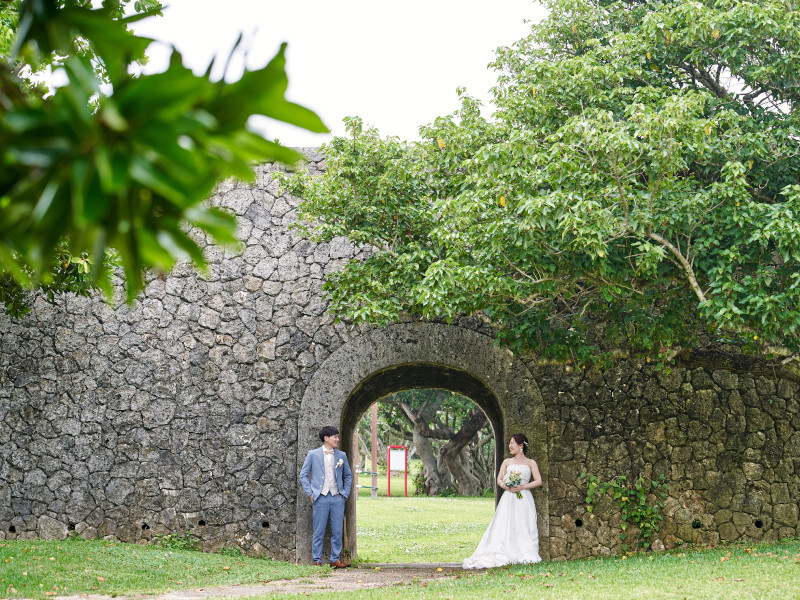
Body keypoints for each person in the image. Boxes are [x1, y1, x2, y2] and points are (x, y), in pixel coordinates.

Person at [463, 433, 542, 568]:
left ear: (521, 445)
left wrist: (523, 486)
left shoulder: (530, 462)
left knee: (523, 524)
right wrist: (507, 486)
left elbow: (538, 481)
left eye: (512, 443)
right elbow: (499, 479)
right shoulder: (507, 462)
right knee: (506, 523)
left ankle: (525, 551)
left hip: (524, 498)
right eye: (509, 443)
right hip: (509, 498)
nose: (510, 446)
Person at [299, 425, 353, 568]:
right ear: (326, 438)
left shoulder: (342, 455)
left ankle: (335, 559)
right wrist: (310, 493)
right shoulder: (313, 454)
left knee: (337, 530)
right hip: (320, 497)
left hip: (337, 497)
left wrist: (345, 493)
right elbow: (303, 475)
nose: (337, 439)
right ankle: (317, 559)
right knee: (319, 530)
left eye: (338, 436)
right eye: (335, 436)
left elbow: (348, 476)